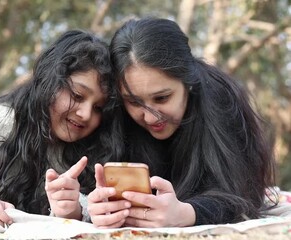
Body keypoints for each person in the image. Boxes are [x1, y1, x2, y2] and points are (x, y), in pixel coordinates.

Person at [87, 16, 277, 228]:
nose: (150, 117)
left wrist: (188, 213)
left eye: (162, 98)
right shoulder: (114, 113)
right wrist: (99, 207)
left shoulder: (220, 100)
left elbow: (240, 196)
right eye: (134, 102)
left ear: (188, 83)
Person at [0, 30, 123, 226]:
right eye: (77, 96)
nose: (86, 114)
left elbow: (91, 211)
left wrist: (72, 211)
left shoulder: (97, 142)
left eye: (98, 108)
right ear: (49, 82)